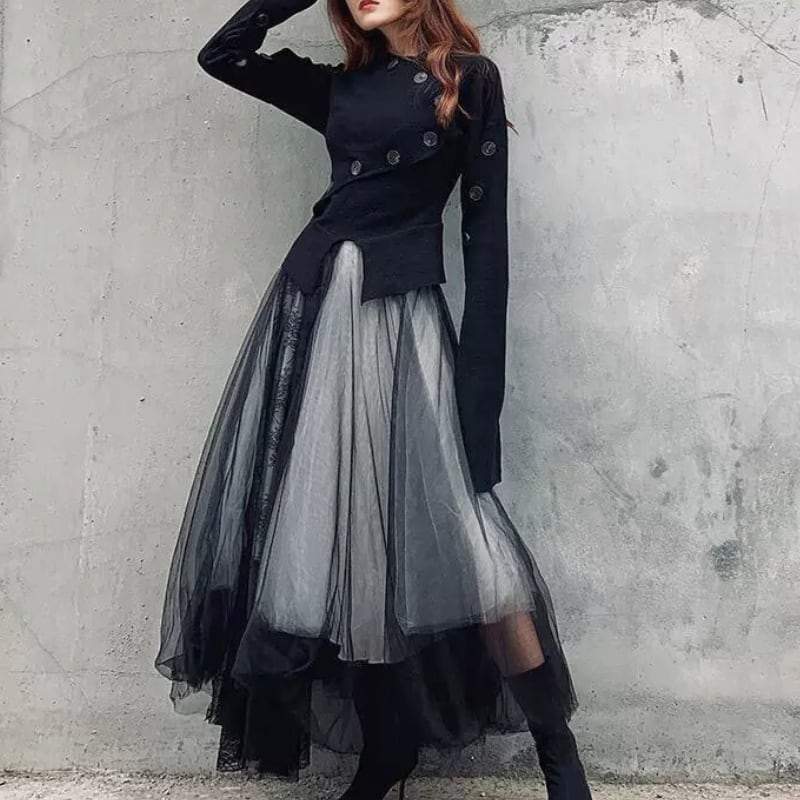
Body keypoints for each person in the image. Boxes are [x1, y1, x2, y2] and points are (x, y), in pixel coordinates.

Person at [154, 0, 592, 798]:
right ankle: (386, 750)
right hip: (317, 316)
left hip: (403, 322)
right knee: (334, 541)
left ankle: (559, 756)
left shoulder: (469, 80)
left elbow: (486, 242)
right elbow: (221, 54)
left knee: (472, 544)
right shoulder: (342, 89)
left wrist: (479, 395)